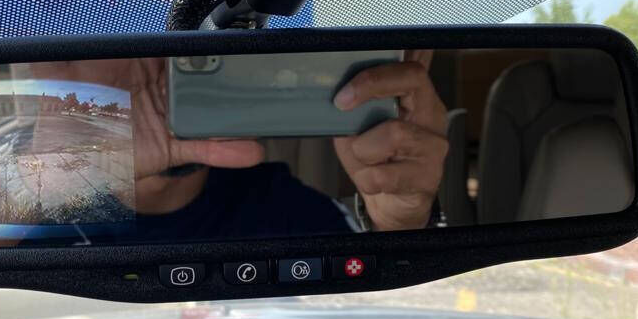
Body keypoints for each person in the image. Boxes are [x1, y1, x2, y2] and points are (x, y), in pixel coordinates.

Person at [27, 50, 449, 242]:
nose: (164, 71)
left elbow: (368, 307)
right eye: (148, 46)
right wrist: (45, 178)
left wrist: (402, 223)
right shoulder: (28, 212)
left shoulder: (279, 203)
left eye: (197, 48)